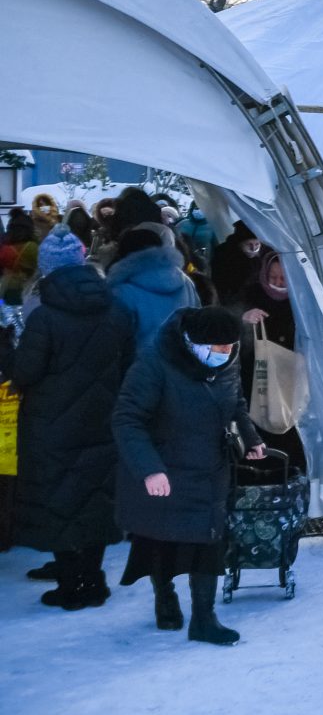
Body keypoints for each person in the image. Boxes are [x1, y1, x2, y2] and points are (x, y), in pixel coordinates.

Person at [112, 305, 266, 645]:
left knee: (208, 541)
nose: (225, 355)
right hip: (165, 468)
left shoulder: (226, 362)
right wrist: (149, 469)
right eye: (219, 349)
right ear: (194, 344)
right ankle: (164, 596)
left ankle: (204, 618)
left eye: (231, 349)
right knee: (162, 539)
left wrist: (250, 438)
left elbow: (235, 402)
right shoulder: (154, 365)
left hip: (210, 469)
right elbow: (127, 419)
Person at [0, 229, 132, 609]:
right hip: (104, 421)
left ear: (49, 272)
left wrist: (7, 351)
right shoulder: (117, 310)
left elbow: (25, 373)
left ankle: (71, 583)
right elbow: (129, 363)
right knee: (95, 499)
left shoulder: (46, 318)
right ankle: (94, 580)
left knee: (60, 499)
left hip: (51, 425)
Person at [223, 240, 309, 470]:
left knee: (290, 424)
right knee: (260, 424)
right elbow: (226, 323)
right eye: (273, 278)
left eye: (283, 279)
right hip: (255, 379)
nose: (278, 284)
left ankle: (292, 469)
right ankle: (262, 471)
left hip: (292, 377)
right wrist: (243, 320)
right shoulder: (251, 293)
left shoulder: (302, 301)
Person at [107, 221, 200, 351]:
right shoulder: (185, 281)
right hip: (182, 360)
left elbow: (115, 338)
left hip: (140, 366)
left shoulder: (123, 291)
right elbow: (197, 321)